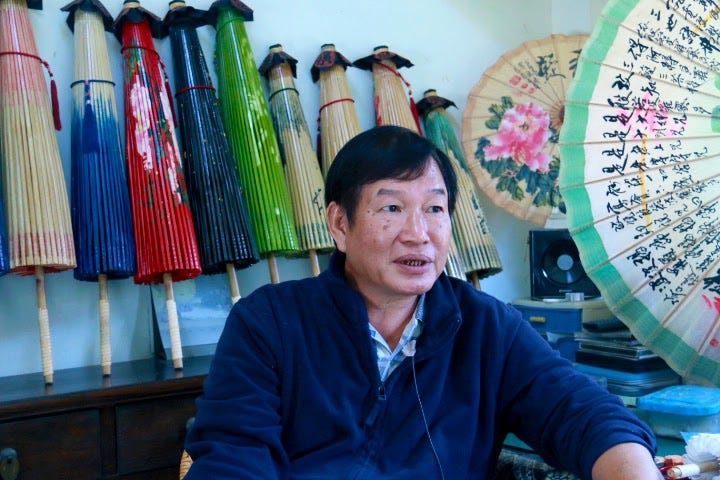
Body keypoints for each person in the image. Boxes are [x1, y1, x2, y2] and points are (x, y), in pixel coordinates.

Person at [184, 125, 663, 479]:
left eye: (434, 209)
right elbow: (232, 457)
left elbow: (581, 413)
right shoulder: (268, 322)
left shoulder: (487, 326)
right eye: (392, 208)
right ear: (339, 224)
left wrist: (632, 468)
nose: (419, 234)